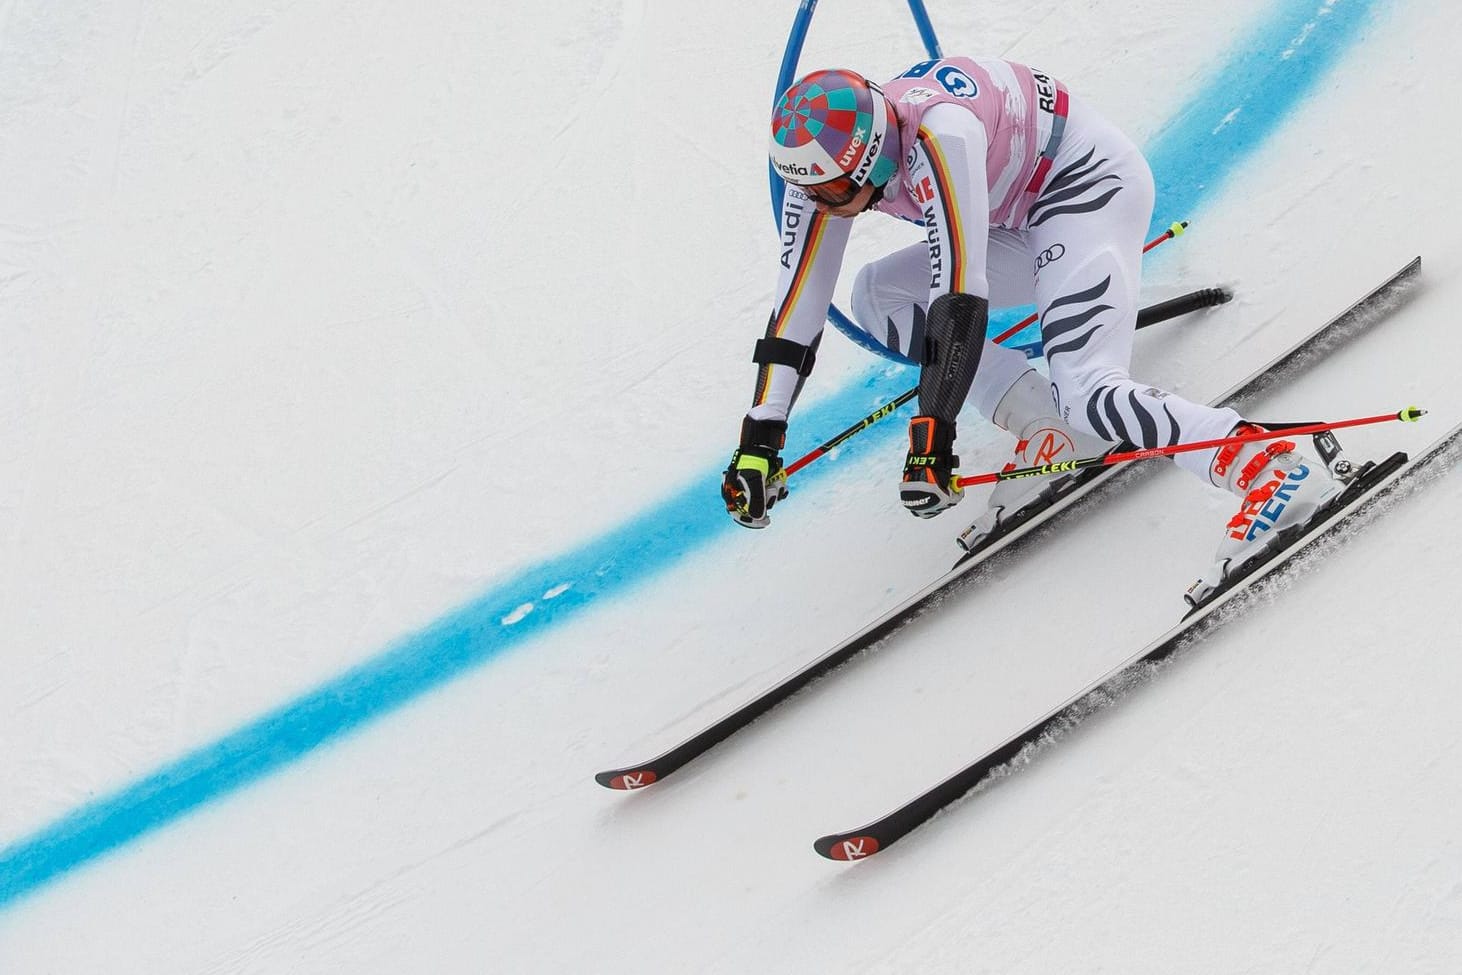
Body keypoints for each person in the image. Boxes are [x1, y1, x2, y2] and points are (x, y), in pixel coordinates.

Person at [719, 58, 1340, 596]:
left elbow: (959, 297)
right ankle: (1054, 430)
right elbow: (798, 305)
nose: (819, 202)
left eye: (829, 188)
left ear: (872, 155)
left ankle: (1268, 466)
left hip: (1084, 192)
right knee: (877, 297)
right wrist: (760, 439)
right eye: (806, 188)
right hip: (1010, 216)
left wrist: (932, 436)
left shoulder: (942, 136)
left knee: (1090, 389)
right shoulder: (823, 168)